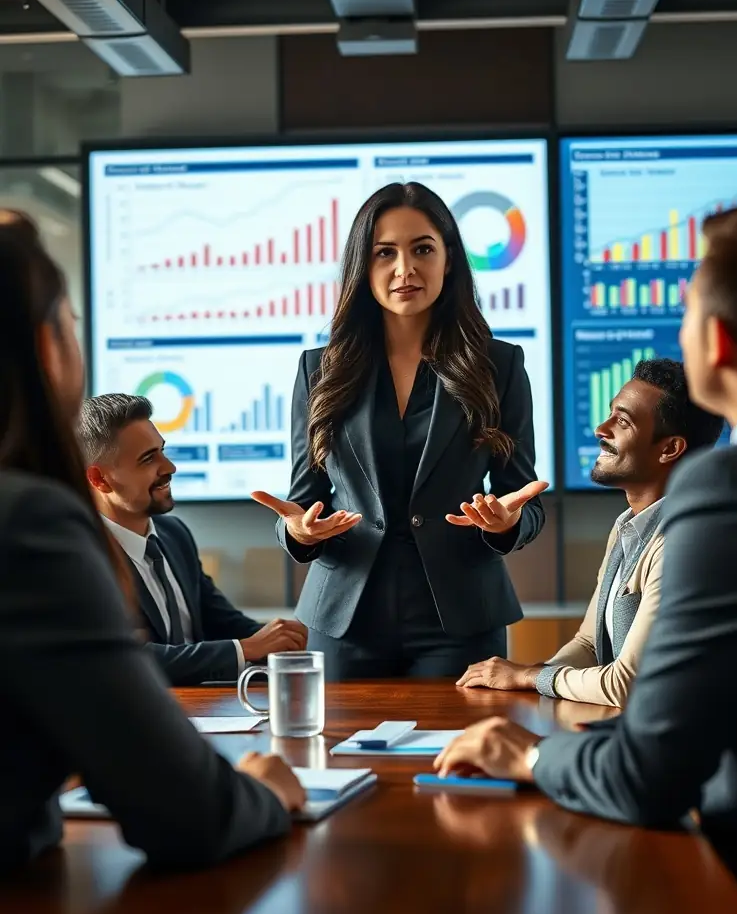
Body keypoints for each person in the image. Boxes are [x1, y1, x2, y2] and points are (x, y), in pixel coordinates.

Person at [434, 199, 737, 914]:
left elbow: (650, 770)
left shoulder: (727, 490)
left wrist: (525, 755)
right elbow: (599, 650)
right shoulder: (637, 524)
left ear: (720, 343)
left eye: (686, 312)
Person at [0, 221, 305, 874]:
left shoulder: (164, 534)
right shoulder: (29, 526)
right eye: (73, 323)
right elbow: (185, 808)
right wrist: (260, 793)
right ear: (46, 348)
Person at [253, 182, 547, 679]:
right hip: (345, 617)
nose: (404, 269)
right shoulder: (319, 371)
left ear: (448, 260)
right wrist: (298, 532)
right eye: (384, 253)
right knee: (342, 757)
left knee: (458, 757)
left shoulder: (499, 367)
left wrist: (507, 524)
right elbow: (303, 502)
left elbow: (527, 500)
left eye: (422, 249)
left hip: (461, 620)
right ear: (361, 267)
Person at [457, 359, 723, 707]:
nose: (601, 428)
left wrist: (527, 676)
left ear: (670, 448)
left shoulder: (683, 542)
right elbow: (589, 644)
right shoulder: (628, 526)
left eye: (622, 421)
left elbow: (626, 685)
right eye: (611, 413)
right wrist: (532, 679)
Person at [78, 394, 308, 686]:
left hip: (206, 712)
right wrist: (244, 649)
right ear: (99, 479)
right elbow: (123, 658)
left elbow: (224, 623)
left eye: (162, 451)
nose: (170, 467)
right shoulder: (83, 558)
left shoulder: (174, 534)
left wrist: (288, 640)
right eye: (148, 459)